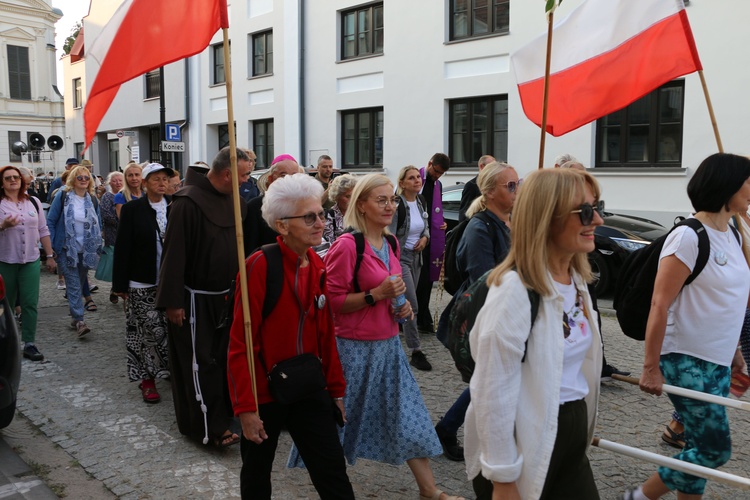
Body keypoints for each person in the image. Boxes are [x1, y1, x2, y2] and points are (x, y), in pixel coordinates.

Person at [319, 173, 463, 500]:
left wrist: (403, 310)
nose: (389, 205)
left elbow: (394, 289)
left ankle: (430, 491)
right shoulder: (346, 246)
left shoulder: (391, 243)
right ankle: (332, 489)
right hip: (352, 352)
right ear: (362, 205)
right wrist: (374, 294)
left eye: (392, 199)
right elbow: (333, 302)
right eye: (381, 199)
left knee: (409, 415)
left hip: (388, 347)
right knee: (339, 427)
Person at [465, 168, 603, 500]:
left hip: (569, 432)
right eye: (585, 211)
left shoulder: (576, 280)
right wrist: (502, 478)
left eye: (598, 206)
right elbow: (490, 392)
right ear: (547, 218)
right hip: (524, 436)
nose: (597, 219)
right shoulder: (514, 291)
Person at [623, 153, 750, 500]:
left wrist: (736, 352)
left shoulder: (735, 236)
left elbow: (728, 303)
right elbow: (659, 303)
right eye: (748, 180)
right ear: (727, 185)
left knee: (696, 444)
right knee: (714, 450)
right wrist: (650, 367)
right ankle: (638, 496)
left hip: (719, 360)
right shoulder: (688, 236)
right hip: (685, 359)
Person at [227, 173, 354, 500]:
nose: (320, 223)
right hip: (265, 393)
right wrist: (246, 408)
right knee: (256, 475)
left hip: (309, 387)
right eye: (309, 216)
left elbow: (325, 334)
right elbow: (241, 344)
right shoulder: (259, 266)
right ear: (282, 226)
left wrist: (336, 390)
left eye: (321, 214)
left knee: (332, 472)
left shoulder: (316, 264)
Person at [155, 146, 251, 447]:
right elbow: (174, 255)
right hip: (194, 301)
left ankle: (225, 415)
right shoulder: (187, 203)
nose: (247, 181)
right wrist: (173, 301)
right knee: (200, 363)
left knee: (222, 360)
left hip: (225, 296)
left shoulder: (231, 200)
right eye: (245, 174)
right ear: (227, 174)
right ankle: (207, 427)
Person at [434, 161, 519, 462]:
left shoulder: (512, 221)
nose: (516, 189)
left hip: (509, 312)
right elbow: (484, 279)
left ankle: (449, 428)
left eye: (517, 183)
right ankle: (449, 429)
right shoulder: (479, 227)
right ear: (489, 191)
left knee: (491, 379)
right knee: (488, 378)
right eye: (510, 185)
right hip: (483, 315)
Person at [113, 163, 174, 405]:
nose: (162, 183)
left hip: (170, 281)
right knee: (145, 331)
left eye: (165, 179)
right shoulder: (132, 210)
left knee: (169, 330)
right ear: (145, 183)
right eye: (156, 179)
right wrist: (120, 285)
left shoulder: (176, 206)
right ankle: (147, 379)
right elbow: (123, 247)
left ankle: (168, 371)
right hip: (141, 281)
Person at [0, 165, 56, 361]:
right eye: (8, 178)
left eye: (15, 177)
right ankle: (6, 343)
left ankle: (29, 343)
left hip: (30, 260)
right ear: (2, 182)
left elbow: (43, 229)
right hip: (5, 261)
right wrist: (3, 226)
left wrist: (49, 256)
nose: (13, 180)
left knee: (30, 303)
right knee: (4, 305)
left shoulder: (33, 201)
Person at [47, 165, 102, 338]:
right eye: (80, 177)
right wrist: (52, 248)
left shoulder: (92, 199)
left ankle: (74, 317)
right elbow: (51, 221)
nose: (84, 180)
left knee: (78, 283)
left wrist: (98, 244)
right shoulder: (63, 196)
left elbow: (98, 224)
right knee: (72, 283)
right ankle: (79, 320)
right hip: (65, 248)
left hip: (85, 250)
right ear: (73, 179)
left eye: (87, 177)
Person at [388, 166, 431, 370]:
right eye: (411, 178)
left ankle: (390, 338)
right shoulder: (398, 205)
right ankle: (416, 351)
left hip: (417, 258)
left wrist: (425, 238)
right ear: (402, 183)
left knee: (401, 302)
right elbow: (390, 234)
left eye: (418, 177)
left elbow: (426, 226)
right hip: (401, 259)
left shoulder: (421, 201)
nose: (417, 180)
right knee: (411, 303)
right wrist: (394, 261)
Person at [416, 153, 450, 334]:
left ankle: (423, 316)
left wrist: (442, 222)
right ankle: (419, 316)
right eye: (436, 171)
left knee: (428, 280)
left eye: (441, 173)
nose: (437, 176)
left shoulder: (438, 185)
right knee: (417, 281)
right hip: (416, 238)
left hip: (431, 238)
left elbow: (436, 210)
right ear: (430, 163)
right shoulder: (416, 179)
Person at [244, 155, 302, 255]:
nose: (289, 180)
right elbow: (250, 248)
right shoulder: (255, 207)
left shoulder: (303, 206)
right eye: (283, 175)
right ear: (271, 179)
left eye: (294, 175)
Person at [100, 171, 124, 304]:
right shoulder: (107, 197)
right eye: (115, 180)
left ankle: (118, 288)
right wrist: (123, 221)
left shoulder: (126, 195)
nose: (118, 183)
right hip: (113, 235)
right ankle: (115, 288)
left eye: (120, 180)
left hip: (128, 234)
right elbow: (106, 215)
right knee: (115, 263)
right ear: (110, 183)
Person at [322, 174, 357, 244]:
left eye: (354, 195)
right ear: (337, 196)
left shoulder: (359, 214)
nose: (352, 199)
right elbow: (330, 246)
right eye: (348, 196)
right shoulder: (330, 216)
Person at [458, 154, 495, 222]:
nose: (493, 171)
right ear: (481, 166)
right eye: (491, 167)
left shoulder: (493, 185)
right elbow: (464, 215)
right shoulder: (471, 185)